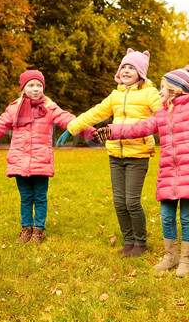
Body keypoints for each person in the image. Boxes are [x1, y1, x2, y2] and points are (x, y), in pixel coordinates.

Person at [92, 65, 189, 276]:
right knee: (166, 216)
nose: (160, 90)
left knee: (188, 217)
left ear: (175, 90)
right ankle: (170, 256)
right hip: (169, 171)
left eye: (163, 86)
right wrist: (112, 131)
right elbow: (138, 128)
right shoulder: (162, 113)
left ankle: (187, 259)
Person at [56, 48, 162, 257]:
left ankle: (140, 243)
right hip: (115, 155)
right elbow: (94, 113)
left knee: (132, 201)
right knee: (119, 202)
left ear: (141, 72)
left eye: (132, 67)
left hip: (137, 155)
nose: (126, 71)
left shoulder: (150, 93)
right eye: (124, 67)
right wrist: (72, 128)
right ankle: (128, 241)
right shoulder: (115, 96)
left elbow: (166, 114)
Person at [0, 69, 92, 245]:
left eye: (39, 85)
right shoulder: (14, 109)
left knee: (40, 197)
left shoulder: (49, 108)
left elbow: (70, 120)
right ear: (23, 88)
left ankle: (39, 230)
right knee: (26, 197)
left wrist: (93, 133)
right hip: (19, 161)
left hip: (41, 160)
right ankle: (26, 229)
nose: (36, 89)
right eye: (31, 85)